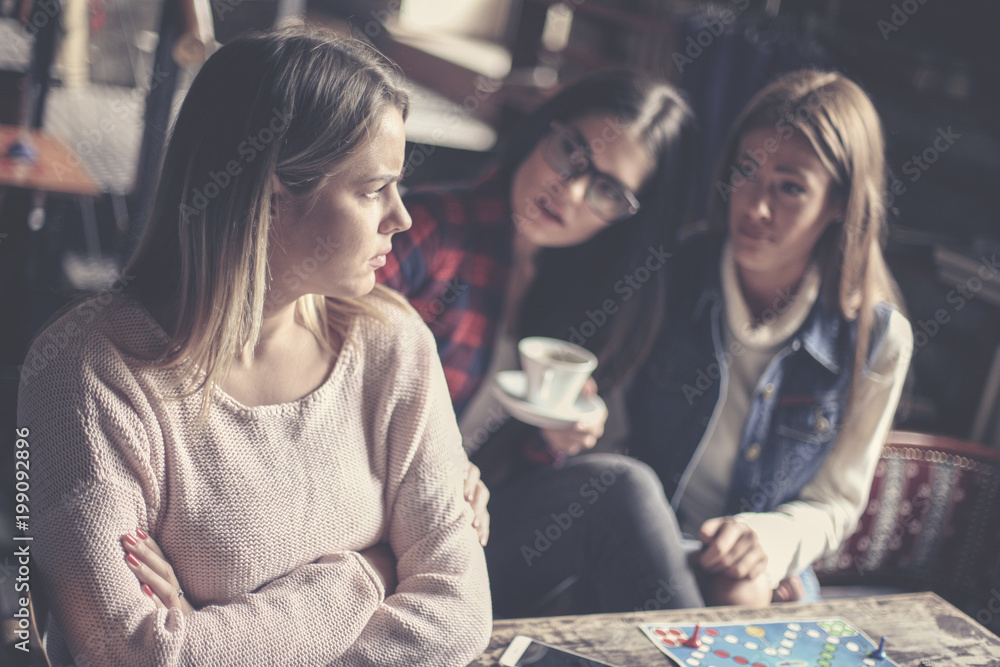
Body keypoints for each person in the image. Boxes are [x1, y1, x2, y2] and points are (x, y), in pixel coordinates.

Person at [17, 27, 491, 665]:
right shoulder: (88, 372)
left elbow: (458, 621)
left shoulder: (395, 344)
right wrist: (368, 574)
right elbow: (129, 655)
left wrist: (216, 639)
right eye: (374, 188)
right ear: (270, 196)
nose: (401, 217)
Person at [380, 71, 706, 616]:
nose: (570, 189)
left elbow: (519, 477)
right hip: (384, 524)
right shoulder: (431, 225)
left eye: (607, 191)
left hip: (477, 531)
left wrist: (556, 438)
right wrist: (438, 466)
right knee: (626, 489)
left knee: (616, 488)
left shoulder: (583, 297)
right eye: (571, 151)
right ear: (543, 130)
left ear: (629, 218)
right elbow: (326, 373)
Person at [628, 69, 914, 606]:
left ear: (839, 203)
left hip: (757, 565)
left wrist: (769, 541)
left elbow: (836, 502)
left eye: (790, 187)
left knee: (743, 587)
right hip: (641, 530)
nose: (755, 207)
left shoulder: (878, 338)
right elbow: (612, 435)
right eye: (746, 172)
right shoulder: (672, 271)